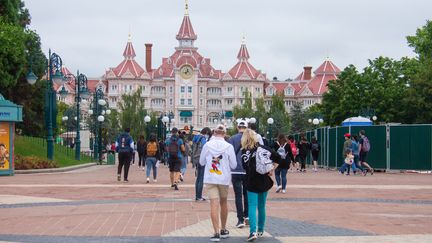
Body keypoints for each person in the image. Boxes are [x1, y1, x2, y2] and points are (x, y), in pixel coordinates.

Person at [199, 124, 237, 241]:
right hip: (224, 179)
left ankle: (216, 233)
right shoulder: (229, 147)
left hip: (210, 178)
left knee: (213, 204)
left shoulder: (207, 145)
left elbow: (201, 162)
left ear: (214, 133)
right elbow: (234, 165)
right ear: (224, 134)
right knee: (223, 203)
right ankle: (223, 229)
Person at [240, 129, 278, 242]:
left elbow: (244, 166)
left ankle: (253, 231)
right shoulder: (263, 148)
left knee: (252, 206)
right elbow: (279, 158)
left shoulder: (244, 151)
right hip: (264, 180)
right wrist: (272, 169)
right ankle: (261, 229)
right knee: (261, 206)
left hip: (251, 181)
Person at [228, 119, 249, 228]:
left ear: (238, 127)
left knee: (238, 195)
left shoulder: (232, 139)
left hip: (235, 170)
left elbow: (228, 154)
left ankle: (240, 220)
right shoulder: (250, 139)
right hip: (247, 171)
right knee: (247, 194)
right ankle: (247, 216)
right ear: (246, 128)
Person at [192, 127, 212, 201]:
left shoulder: (196, 137)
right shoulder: (203, 139)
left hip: (196, 158)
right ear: (206, 133)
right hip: (202, 159)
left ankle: (197, 195)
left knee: (198, 178)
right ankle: (199, 196)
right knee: (201, 178)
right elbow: (205, 148)